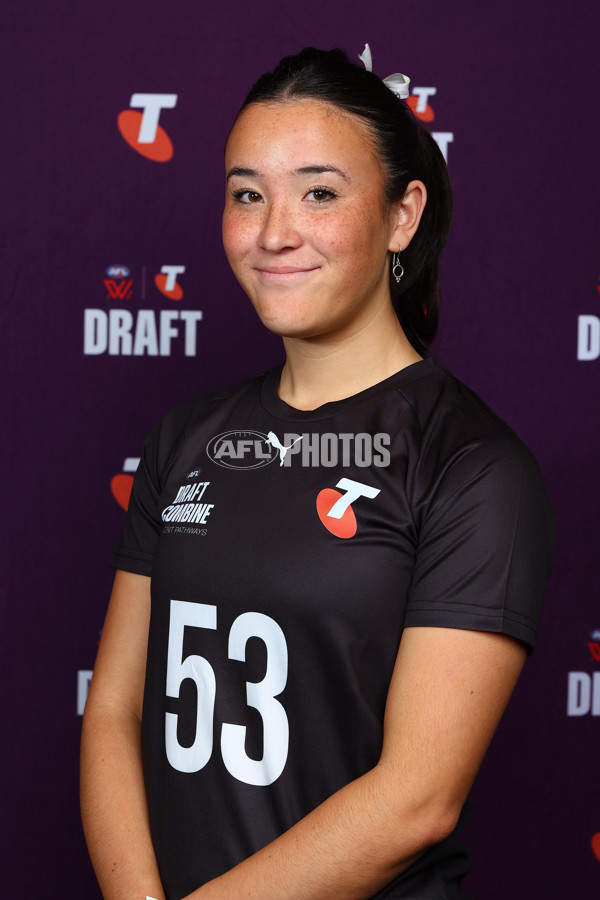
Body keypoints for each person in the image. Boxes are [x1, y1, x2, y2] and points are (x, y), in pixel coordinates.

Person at [80, 46, 555, 900]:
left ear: (402, 215)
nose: (273, 232)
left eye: (320, 193)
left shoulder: (472, 465)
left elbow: (417, 800)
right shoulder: (187, 438)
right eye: (247, 193)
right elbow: (116, 707)